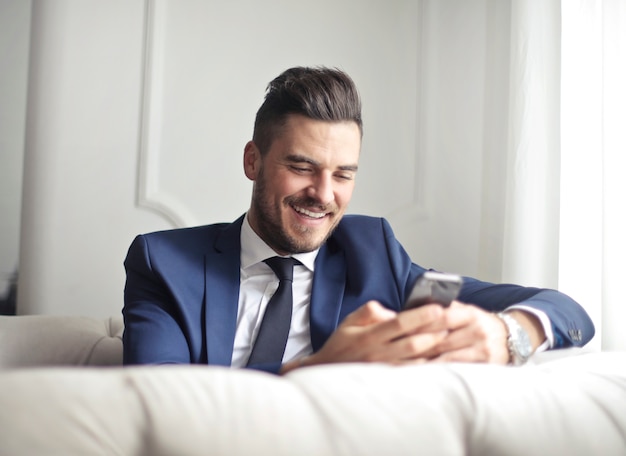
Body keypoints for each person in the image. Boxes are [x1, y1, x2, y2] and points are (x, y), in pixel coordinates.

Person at [123, 66, 594, 374]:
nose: (323, 195)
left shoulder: (376, 256)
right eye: (302, 167)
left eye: (343, 174)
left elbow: (564, 309)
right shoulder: (164, 262)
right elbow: (159, 402)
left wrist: (511, 334)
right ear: (253, 161)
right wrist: (322, 366)